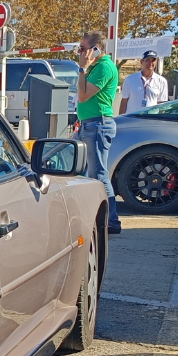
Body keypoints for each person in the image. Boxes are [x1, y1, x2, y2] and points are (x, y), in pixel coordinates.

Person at [75, 31, 122, 234]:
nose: (81, 52)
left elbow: (84, 95)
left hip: (98, 125)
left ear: (95, 49)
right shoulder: (95, 66)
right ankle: (92, 214)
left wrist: (82, 68)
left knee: (99, 174)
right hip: (88, 124)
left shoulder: (103, 67)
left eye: (83, 49)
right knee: (79, 170)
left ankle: (112, 220)